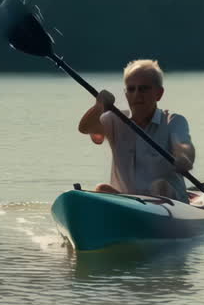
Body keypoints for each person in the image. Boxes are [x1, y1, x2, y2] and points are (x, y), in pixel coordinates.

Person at [77, 59, 194, 202]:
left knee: (160, 186)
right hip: (128, 204)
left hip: (170, 203)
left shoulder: (173, 121)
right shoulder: (114, 119)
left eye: (144, 88)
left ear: (159, 93)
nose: (137, 94)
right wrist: (99, 106)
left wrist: (184, 158)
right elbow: (85, 128)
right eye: (131, 89)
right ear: (126, 94)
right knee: (101, 188)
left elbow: (182, 145)